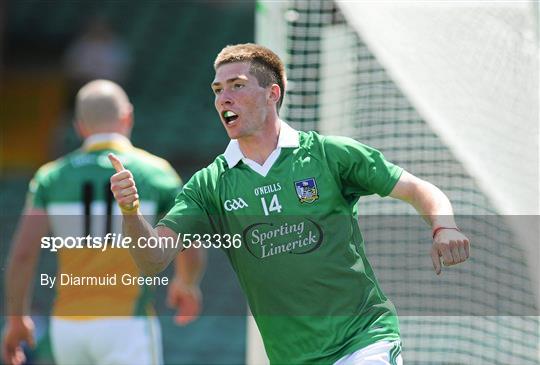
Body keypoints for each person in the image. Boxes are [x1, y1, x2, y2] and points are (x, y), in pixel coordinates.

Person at [108, 44, 470, 364]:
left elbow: (418, 189)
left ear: (272, 94)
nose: (224, 98)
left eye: (237, 86)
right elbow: (152, 258)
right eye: (218, 90)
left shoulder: (330, 154)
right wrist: (130, 211)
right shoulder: (210, 184)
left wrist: (444, 226)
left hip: (363, 341)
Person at [1, 80, 206, 365]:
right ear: (128, 116)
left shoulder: (51, 177)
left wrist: (16, 318)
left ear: (79, 126)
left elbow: (23, 255)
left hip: (68, 328)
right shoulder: (155, 172)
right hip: (126, 325)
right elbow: (189, 242)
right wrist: (186, 283)